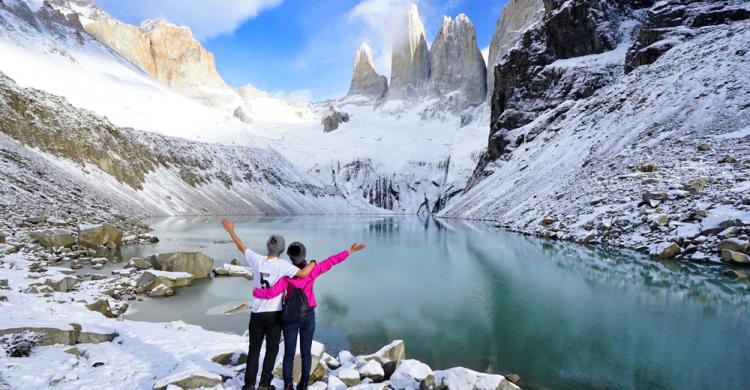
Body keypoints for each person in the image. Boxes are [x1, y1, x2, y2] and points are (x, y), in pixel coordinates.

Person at [253, 241, 367, 390]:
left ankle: (288, 385)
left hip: (290, 318)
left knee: (289, 354)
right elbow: (331, 261)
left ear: (290, 257)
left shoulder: (286, 274)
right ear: (304, 255)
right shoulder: (312, 271)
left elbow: (272, 292)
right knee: (306, 353)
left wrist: (257, 292)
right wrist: (350, 251)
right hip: (308, 317)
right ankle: (304, 384)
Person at [221, 218, 316, 390]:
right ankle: (264, 384)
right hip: (274, 314)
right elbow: (302, 274)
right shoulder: (283, 265)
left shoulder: (256, 259)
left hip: (256, 312)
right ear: (281, 250)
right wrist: (313, 263)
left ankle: (249, 385)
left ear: (268, 246)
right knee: (271, 350)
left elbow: (241, 247)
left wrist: (230, 230)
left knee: (254, 350)